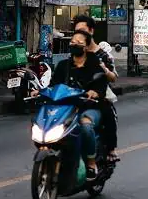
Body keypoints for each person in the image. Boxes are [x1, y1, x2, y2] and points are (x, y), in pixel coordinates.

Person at [47, 31, 109, 179]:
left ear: (86, 47)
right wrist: (40, 92)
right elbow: (53, 85)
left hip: (89, 107)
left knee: (86, 126)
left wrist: (94, 92)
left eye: (79, 42)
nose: (75, 44)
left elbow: (102, 85)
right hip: (66, 108)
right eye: (73, 41)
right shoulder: (63, 65)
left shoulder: (94, 65)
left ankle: (91, 162)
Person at [71, 15, 120, 161]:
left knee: (105, 114)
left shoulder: (102, 55)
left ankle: (107, 151)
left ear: (91, 31)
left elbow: (113, 77)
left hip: (98, 98)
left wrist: (105, 71)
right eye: (76, 32)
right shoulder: (74, 52)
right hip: (76, 97)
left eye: (82, 30)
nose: (79, 35)